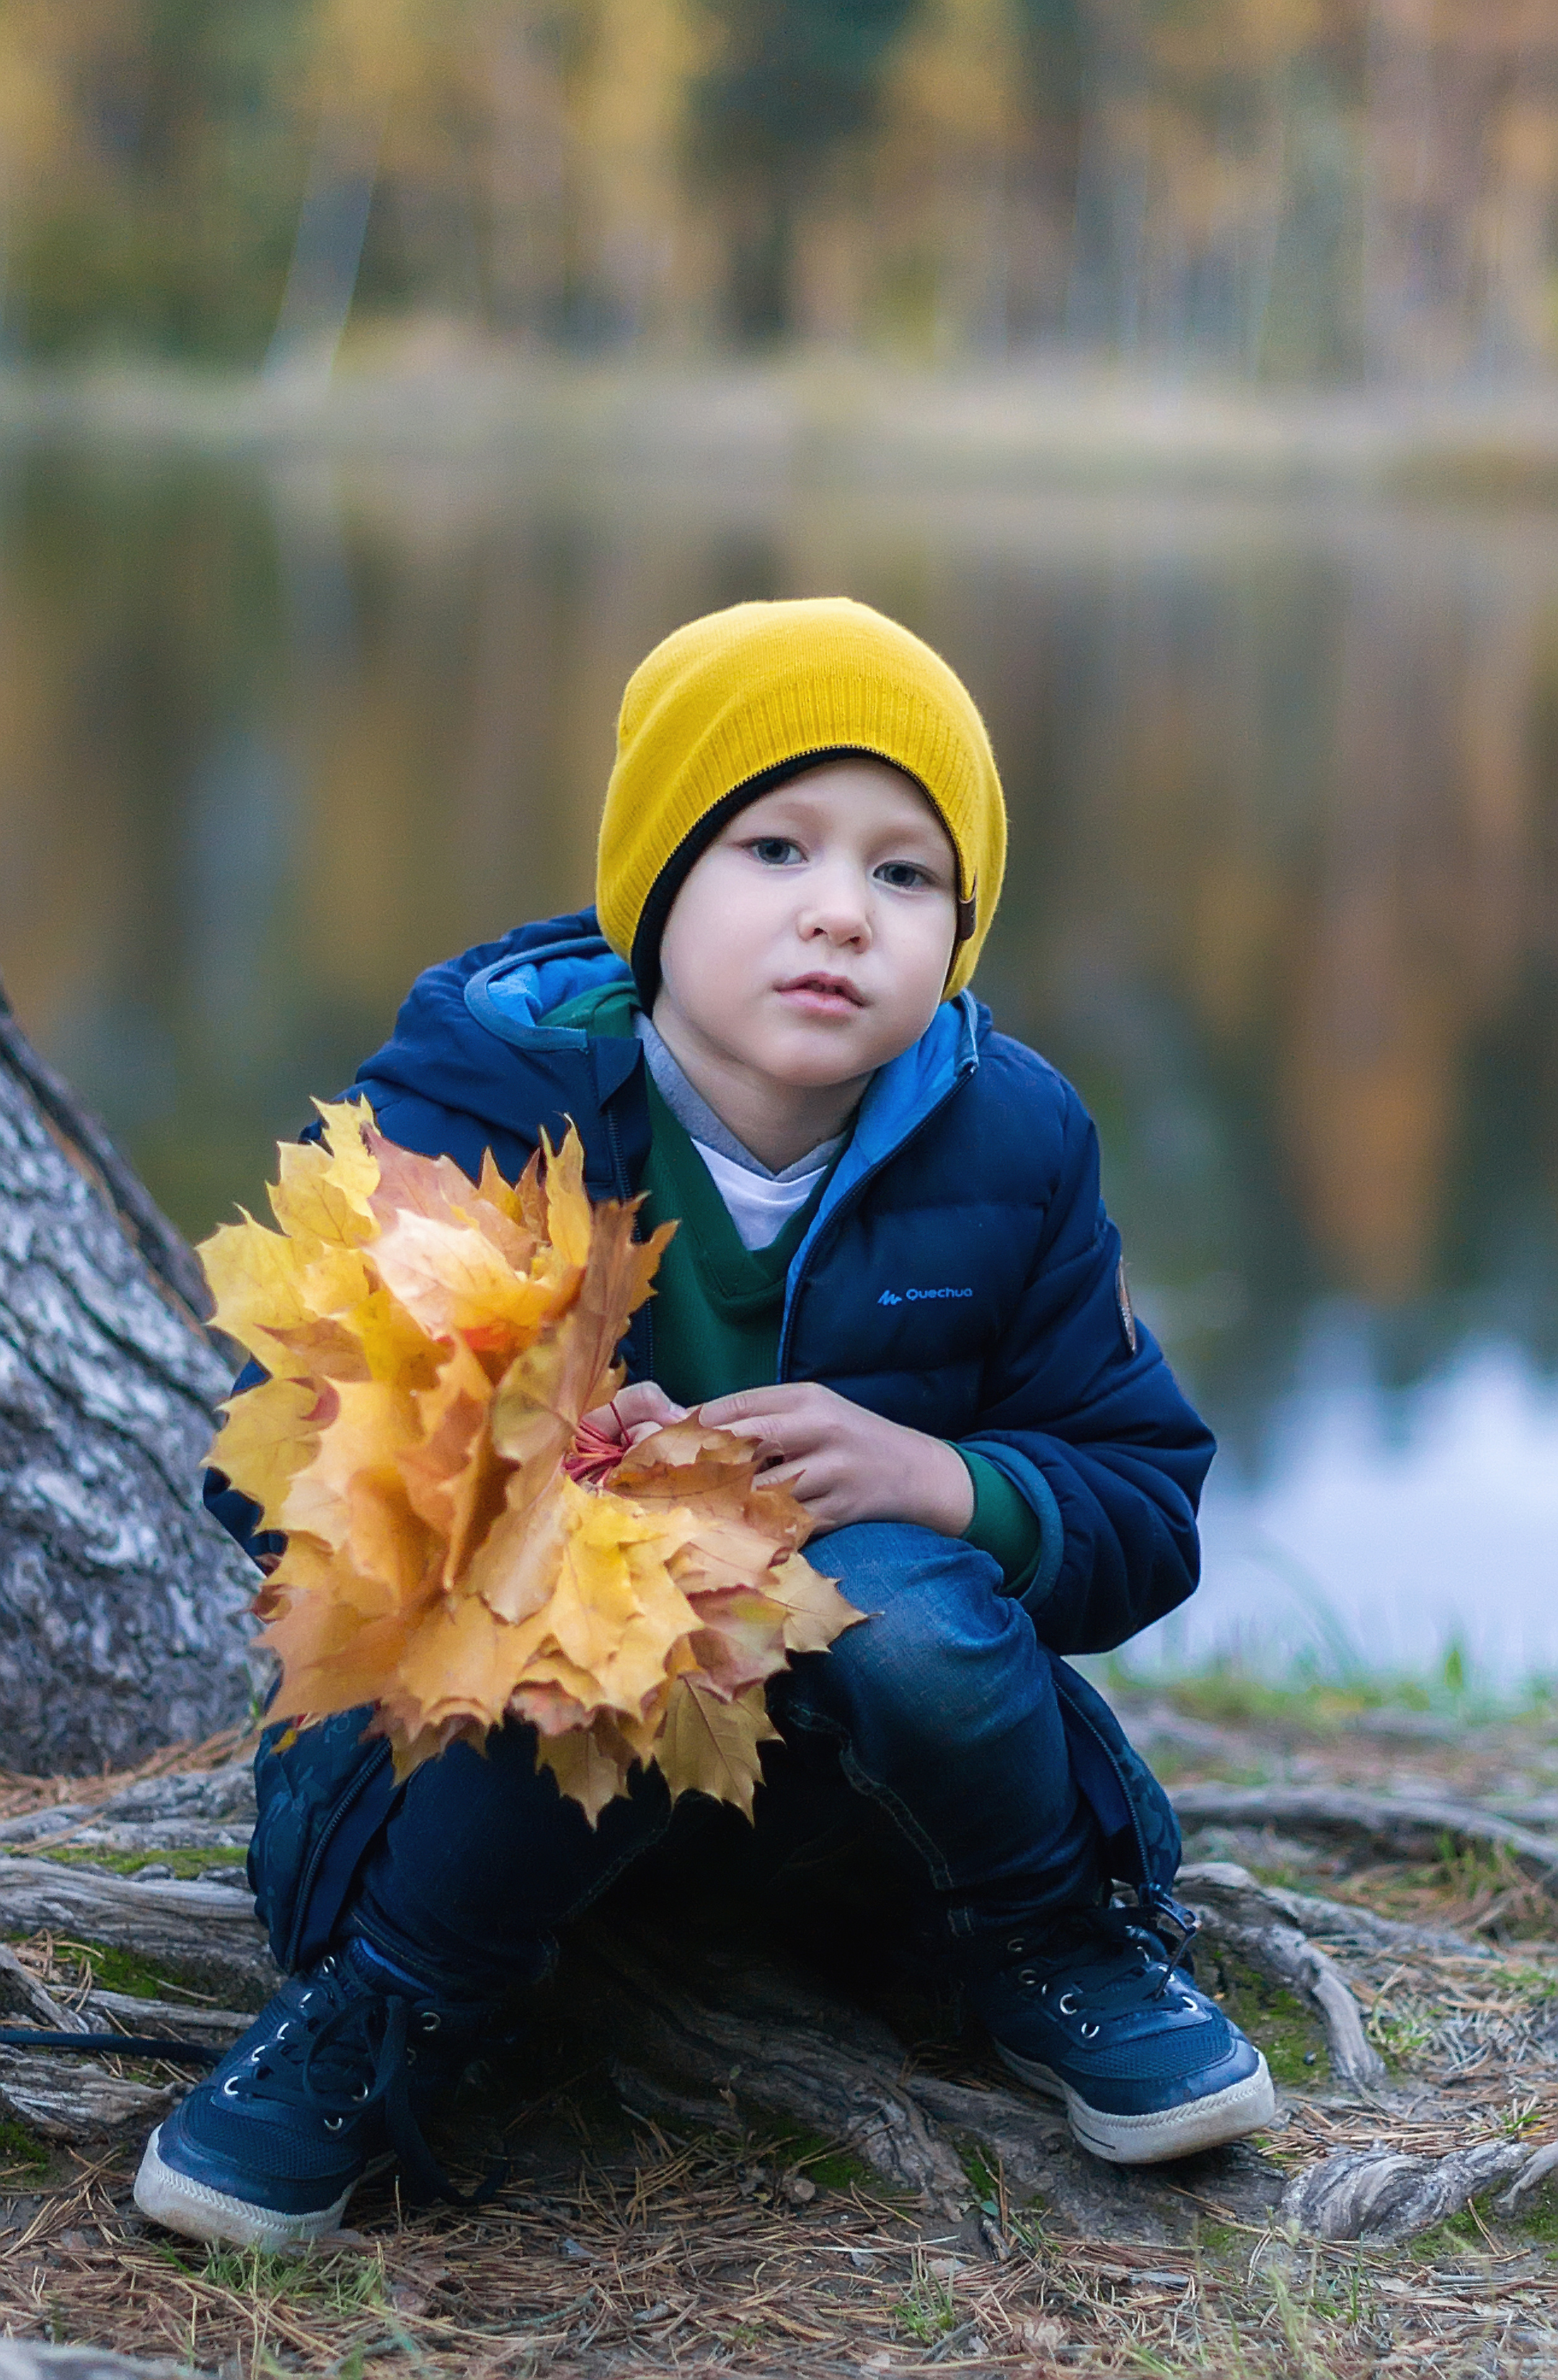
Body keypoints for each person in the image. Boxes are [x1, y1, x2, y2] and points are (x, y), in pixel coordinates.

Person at [135, 597, 1273, 2251]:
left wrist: (943, 1479)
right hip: (497, 1774)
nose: (839, 912)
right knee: (616, 1596)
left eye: (903, 874)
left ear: (956, 928)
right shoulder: (472, 1108)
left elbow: (1141, 1497)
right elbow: (287, 1471)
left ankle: (1048, 1936)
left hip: (852, 1797)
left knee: (892, 1592)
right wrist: (527, 1469)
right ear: (655, 891)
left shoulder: (1013, 1139)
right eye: (773, 848)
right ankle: (389, 2006)